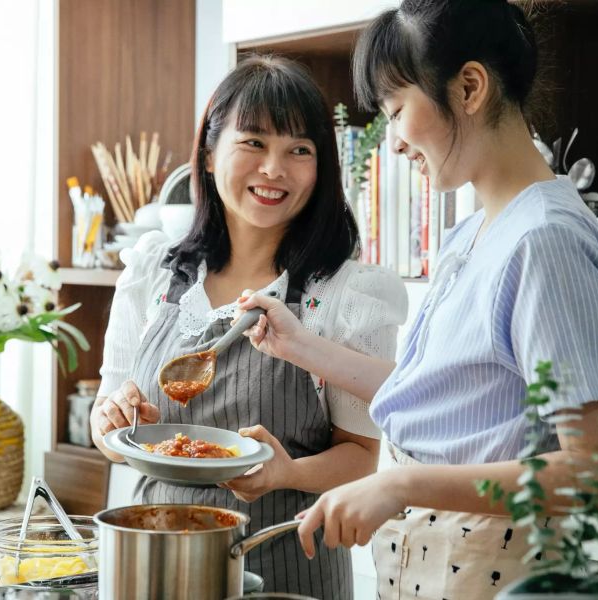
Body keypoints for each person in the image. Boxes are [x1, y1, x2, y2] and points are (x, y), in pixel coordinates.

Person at [234, 2, 598, 599]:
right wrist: (298, 345)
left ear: (469, 87)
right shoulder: (474, 231)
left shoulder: (544, 241)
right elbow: (441, 396)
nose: (393, 142)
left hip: (495, 562)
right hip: (437, 557)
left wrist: (400, 485)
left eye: (397, 111)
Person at [90, 55, 407, 599]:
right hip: (156, 558)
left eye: (298, 150)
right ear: (210, 156)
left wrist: (286, 473)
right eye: (254, 143)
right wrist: (115, 421)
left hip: (288, 561)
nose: (274, 170)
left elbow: (362, 455)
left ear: (320, 168)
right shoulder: (153, 270)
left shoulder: (347, 295)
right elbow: (108, 428)